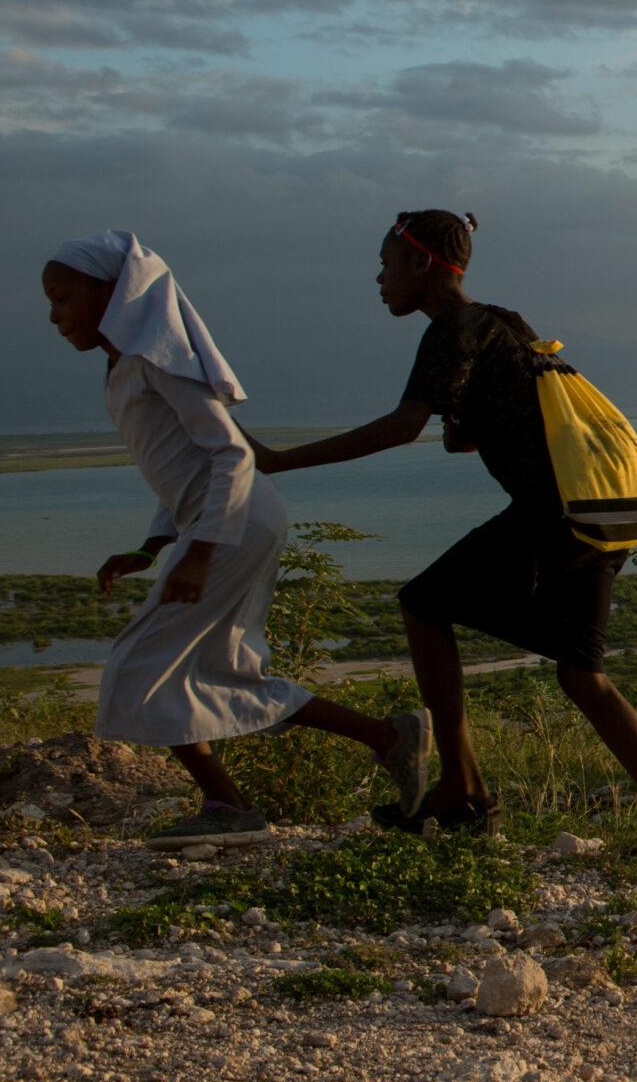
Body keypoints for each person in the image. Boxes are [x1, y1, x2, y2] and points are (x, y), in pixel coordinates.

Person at [243, 211, 637, 875]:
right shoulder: (505, 321)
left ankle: (462, 789)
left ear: (422, 264)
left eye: (387, 263)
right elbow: (483, 423)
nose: (379, 278)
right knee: (582, 674)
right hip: (601, 509)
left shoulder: (451, 330)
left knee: (422, 602)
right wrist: (465, 420)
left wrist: (279, 461)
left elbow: (402, 426)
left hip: (554, 514)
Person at [43, 231, 430, 848]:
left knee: (138, 665)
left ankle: (229, 805)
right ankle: (386, 739)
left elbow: (229, 453)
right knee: (218, 668)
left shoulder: (156, 361)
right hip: (229, 522)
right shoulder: (126, 368)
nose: (55, 315)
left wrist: (198, 552)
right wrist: (152, 545)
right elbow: (180, 471)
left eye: (64, 298)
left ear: (112, 294)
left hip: (233, 524)